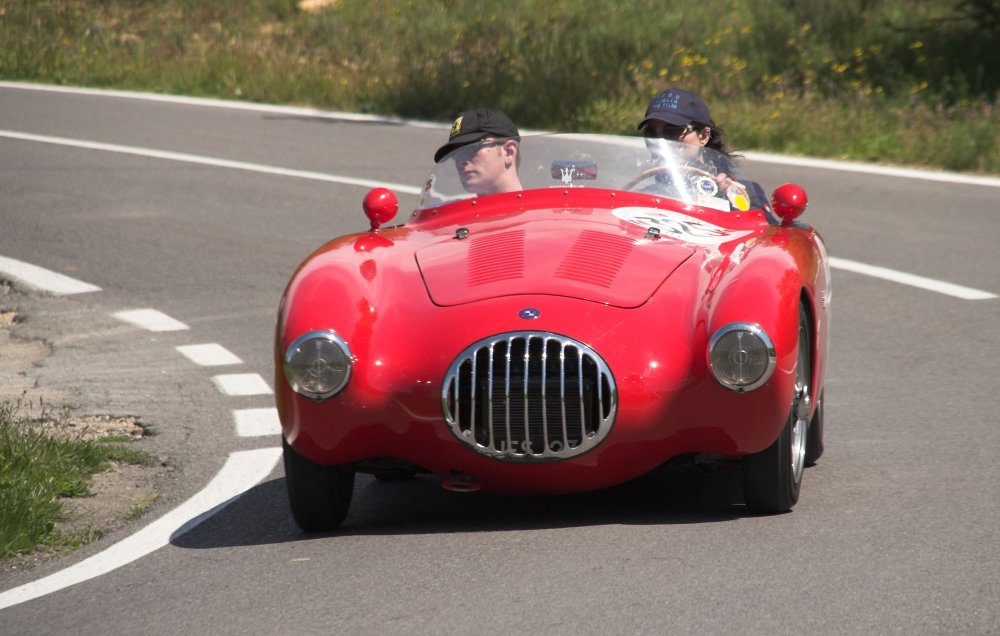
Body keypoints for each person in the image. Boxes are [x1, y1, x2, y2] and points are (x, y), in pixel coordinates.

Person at [637, 87, 770, 212]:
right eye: (652, 134)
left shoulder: (743, 194)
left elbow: (765, 231)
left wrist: (733, 202)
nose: (661, 141)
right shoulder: (643, 197)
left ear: (704, 136)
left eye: (672, 131)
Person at [434, 108, 523, 196]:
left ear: (509, 152)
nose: (460, 161)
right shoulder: (453, 209)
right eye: (455, 153)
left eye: (471, 148)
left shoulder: (535, 209)